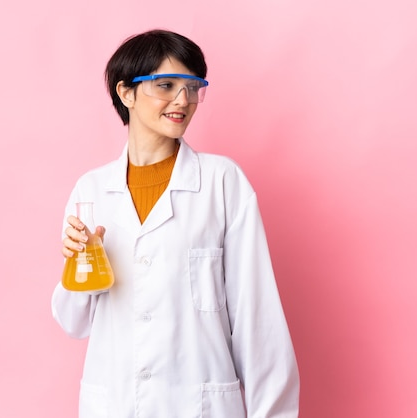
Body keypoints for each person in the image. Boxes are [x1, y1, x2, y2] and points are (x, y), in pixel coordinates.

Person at [52, 29, 300, 418]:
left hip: (199, 405)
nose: (182, 101)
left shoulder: (222, 182)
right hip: (116, 404)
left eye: (192, 86)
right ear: (126, 93)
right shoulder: (93, 189)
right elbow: (74, 322)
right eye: (165, 85)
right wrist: (76, 262)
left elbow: (258, 320)